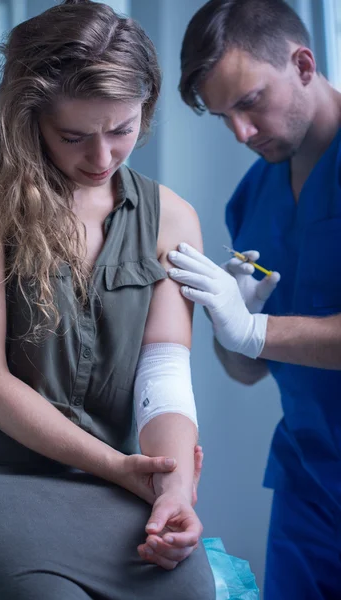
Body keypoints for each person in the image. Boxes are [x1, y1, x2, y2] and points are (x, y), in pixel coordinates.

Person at [0, 1, 216, 598]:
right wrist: (119, 468)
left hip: (112, 479)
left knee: (190, 589)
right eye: (73, 136)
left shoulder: (173, 218)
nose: (101, 159)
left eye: (122, 130)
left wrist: (170, 487)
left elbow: (163, 374)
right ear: (28, 119)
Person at [168, 0, 341, 598]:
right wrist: (228, 321)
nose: (241, 133)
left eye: (249, 103)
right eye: (223, 116)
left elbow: (257, 339)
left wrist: (253, 330)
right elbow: (247, 369)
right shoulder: (249, 200)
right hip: (309, 479)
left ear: (302, 64)